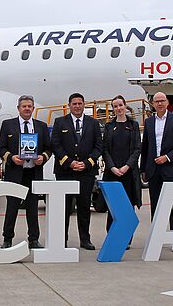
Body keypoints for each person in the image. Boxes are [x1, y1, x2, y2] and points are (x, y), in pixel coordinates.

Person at [50, 92, 102, 250]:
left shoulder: (93, 123)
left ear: (84, 105)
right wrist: (69, 163)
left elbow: (98, 146)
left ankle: (85, 239)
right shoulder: (60, 122)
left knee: (84, 206)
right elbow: (56, 145)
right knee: (64, 207)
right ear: (69, 105)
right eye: (74, 104)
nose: (77, 106)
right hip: (65, 171)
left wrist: (87, 163)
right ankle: (62, 240)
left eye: (80, 103)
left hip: (86, 172)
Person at [0, 95, 50, 249]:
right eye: (24, 106)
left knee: (33, 209)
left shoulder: (41, 126)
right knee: (12, 208)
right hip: (15, 173)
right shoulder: (8, 125)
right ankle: (7, 238)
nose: (27, 109)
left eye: (29, 106)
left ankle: (34, 239)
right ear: (18, 108)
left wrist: (44, 157)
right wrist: (11, 158)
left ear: (33, 109)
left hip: (33, 173)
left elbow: (48, 148)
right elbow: (1, 148)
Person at [140, 91, 173, 252]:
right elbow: (145, 148)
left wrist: (167, 157)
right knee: (156, 204)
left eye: (162, 100)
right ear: (153, 104)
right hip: (153, 169)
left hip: (171, 168)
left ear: (167, 102)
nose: (159, 104)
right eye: (156, 101)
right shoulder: (149, 122)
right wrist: (143, 170)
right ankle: (157, 235)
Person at [101, 95, 142, 249]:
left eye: (120, 105)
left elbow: (137, 149)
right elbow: (105, 150)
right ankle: (112, 236)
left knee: (127, 206)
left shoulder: (133, 125)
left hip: (128, 173)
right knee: (112, 207)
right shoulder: (109, 126)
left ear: (125, 106)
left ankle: (126, 239)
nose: (118, 108)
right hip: (112, 173)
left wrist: (127, 166)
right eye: (115, 106)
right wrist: (112, 167)